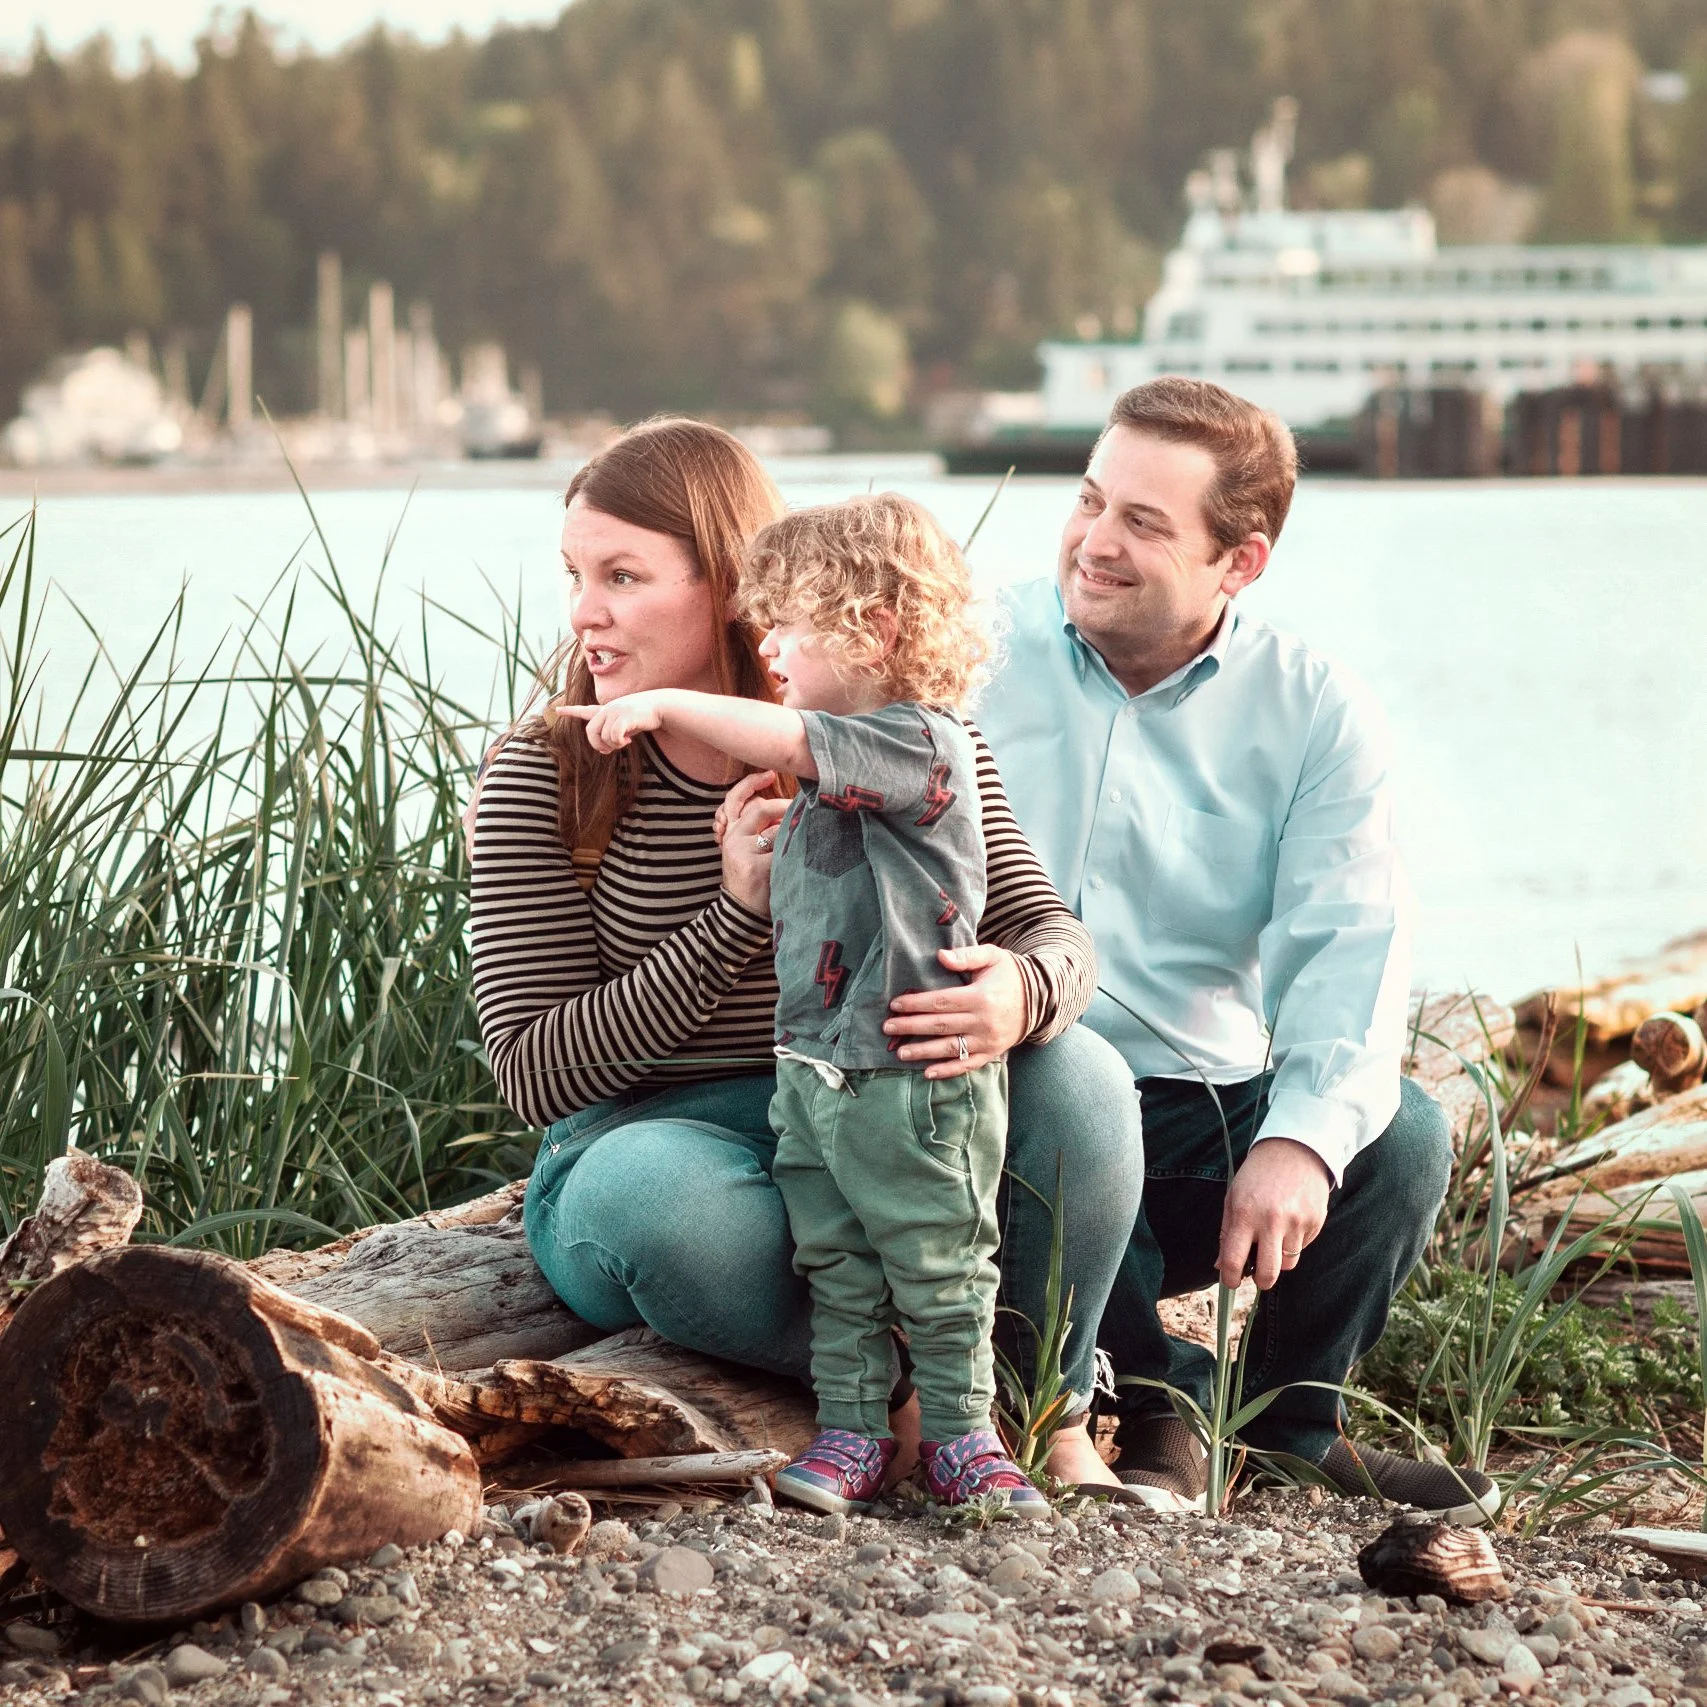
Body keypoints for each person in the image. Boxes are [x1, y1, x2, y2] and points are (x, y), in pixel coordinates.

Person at [466, 417, 1143, 1492]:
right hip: (664, 1141)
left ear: (733, 584)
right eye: (575, 575)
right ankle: (918, 1406)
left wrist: (1020, 992)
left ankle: (1046, 1411)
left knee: (1086, 1080)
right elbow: (535, 1072)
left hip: (883, 1108)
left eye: (624, 576)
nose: (586, 611)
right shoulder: (542, 773)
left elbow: (1053, 935)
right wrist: (736, 915)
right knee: (662, 1205)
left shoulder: (902, 736)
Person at [976, 377, 1498, 1522]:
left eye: (1143, 523)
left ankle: (1287, 1428)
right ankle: (1160, 1400)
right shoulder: (971, 654)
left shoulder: (1314, 712)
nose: (1094, 543)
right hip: (1010, 1105)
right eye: (1090, 500)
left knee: (1402, 1133)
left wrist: (1300, 1143)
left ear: (1240, 562)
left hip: (1196, 1120)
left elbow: (1351, 952)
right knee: (1066, 1085)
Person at [564, 493, 1049, 1515]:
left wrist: (664, 706)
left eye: (788, 624)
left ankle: (964, 1438)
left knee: (938, 1262)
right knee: (837, 1266)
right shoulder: (833, 775)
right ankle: (854, 1432)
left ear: (873, 629)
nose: (768, 645)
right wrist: (742, 891)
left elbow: (790, 736)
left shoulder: (918, 743)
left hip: (910, 1084)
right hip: (813, 1076)